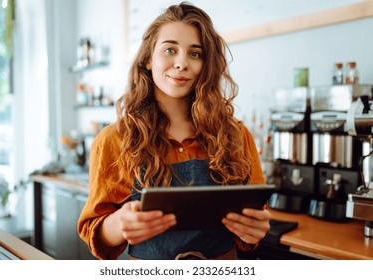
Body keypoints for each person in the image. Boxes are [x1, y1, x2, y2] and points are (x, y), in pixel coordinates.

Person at [78, 2, 271, 260]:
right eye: (170, 49)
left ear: (207, 64)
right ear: (148, 59)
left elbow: (255, 222)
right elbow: (96, 232)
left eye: (195, 53)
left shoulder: (236, 135)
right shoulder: (114, 140)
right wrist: (117, 224)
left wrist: (255, 230)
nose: (181, 63)